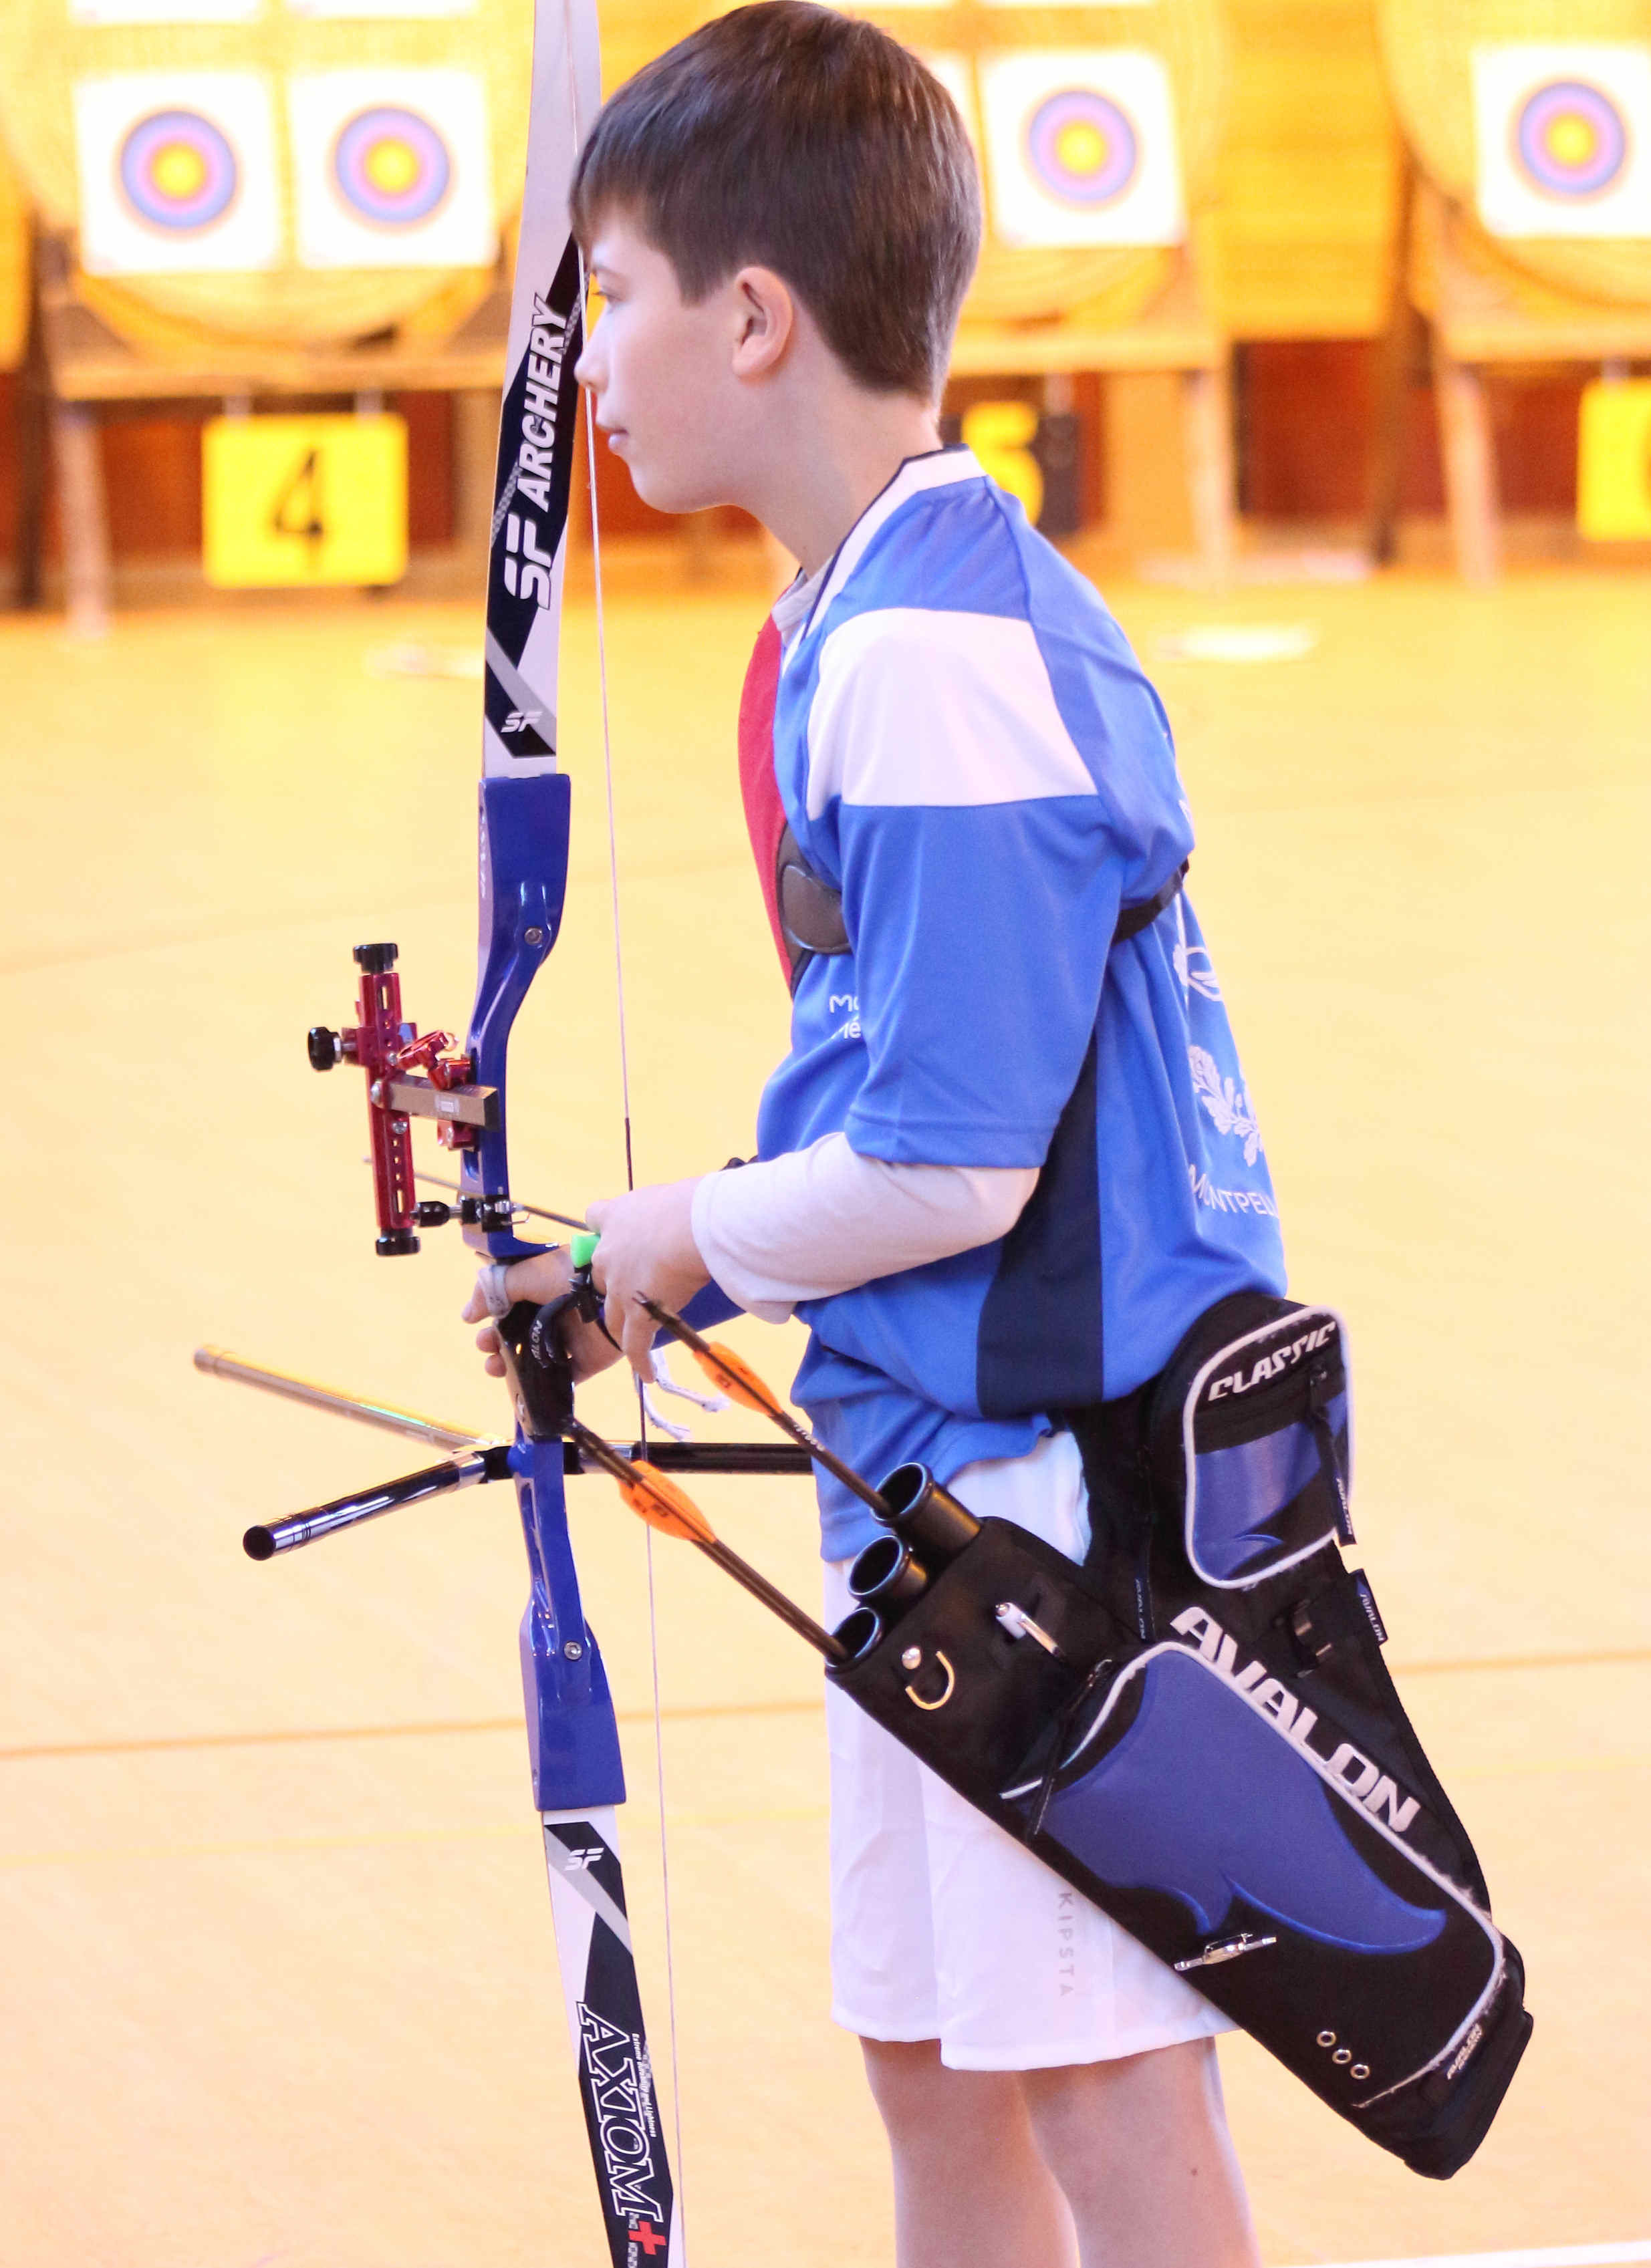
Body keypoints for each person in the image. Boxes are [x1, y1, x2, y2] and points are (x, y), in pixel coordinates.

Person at [466, 7, 1279, 2261]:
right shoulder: (852, 616)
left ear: (756, 319)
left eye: (614, 295)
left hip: (1058, 1486)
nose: (587, 357)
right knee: (937, 2068)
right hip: (941, 1470)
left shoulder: (936, 653)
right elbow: (900, 1108)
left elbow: (950, 1160)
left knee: (1101, 2079)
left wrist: (659, 1236)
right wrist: (645, 1270)